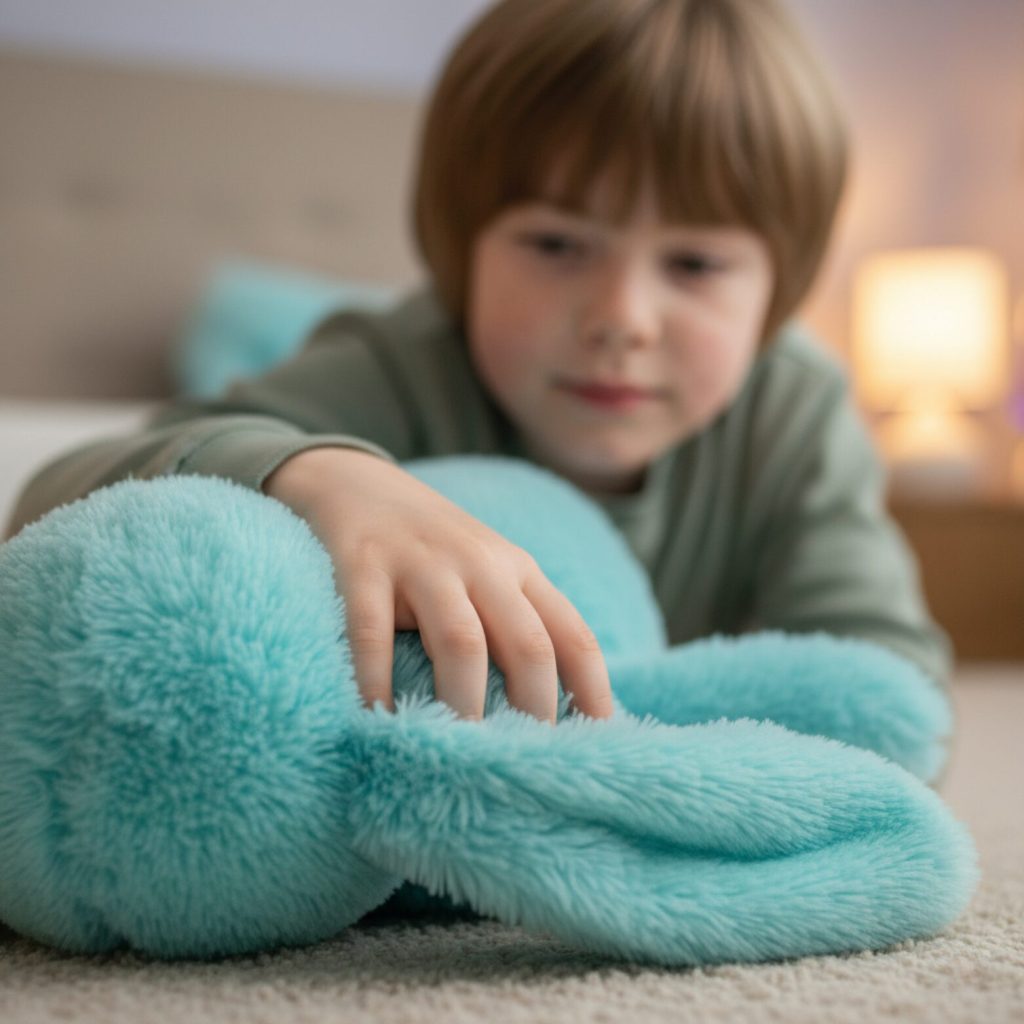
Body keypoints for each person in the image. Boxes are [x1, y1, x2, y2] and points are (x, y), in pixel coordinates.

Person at [4, 0, 953, 736]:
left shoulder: (796, 409)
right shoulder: (401, 363)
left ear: (777, 295)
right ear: (462, 255)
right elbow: (56, 499)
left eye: (695, 265)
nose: (621, 319)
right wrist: (329, 476)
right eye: (555, 244)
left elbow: (892, 683)